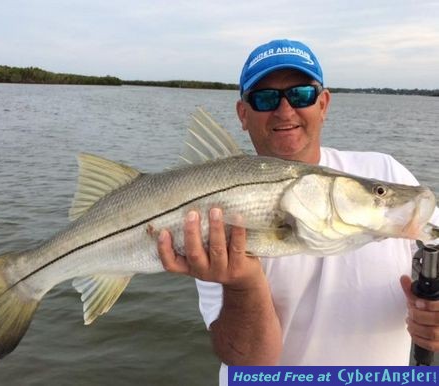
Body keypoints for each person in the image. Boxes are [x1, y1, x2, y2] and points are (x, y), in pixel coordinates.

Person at [157, 39, 439, 383]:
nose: (285, 110)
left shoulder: (387, 171)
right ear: (243, 115)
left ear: (323, 103)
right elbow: (250, 364)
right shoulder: (213, 206)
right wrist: (243, 284)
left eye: (302, 94)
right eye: (265, 98)